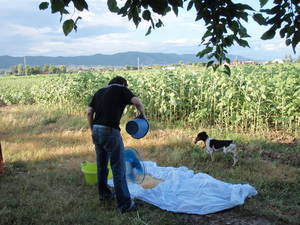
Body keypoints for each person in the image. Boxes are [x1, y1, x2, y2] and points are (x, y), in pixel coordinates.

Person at [87, 76, 146, 213]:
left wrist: (92, 130)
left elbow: (89, 112)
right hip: (110, 131)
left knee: (101, 165)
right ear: (124, 84)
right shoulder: (121, 89)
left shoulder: (99, 91)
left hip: (96, 130)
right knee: (118, 168)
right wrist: (143, 114)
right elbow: (137, 102)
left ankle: (104, 195)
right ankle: (125, 205)